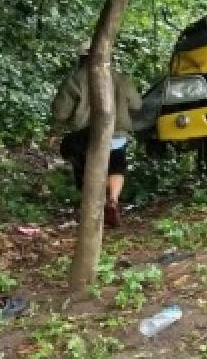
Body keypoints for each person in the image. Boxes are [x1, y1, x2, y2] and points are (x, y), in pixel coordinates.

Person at [52, 44, 143, 227]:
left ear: (82, 58)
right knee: (117, 166)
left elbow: (60, 113)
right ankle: (113, 199)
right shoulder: (121, 78)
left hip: (87, 137)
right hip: (116, 137)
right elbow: (137, 105)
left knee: (74, 154)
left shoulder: (75, 79)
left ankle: (92, 205)